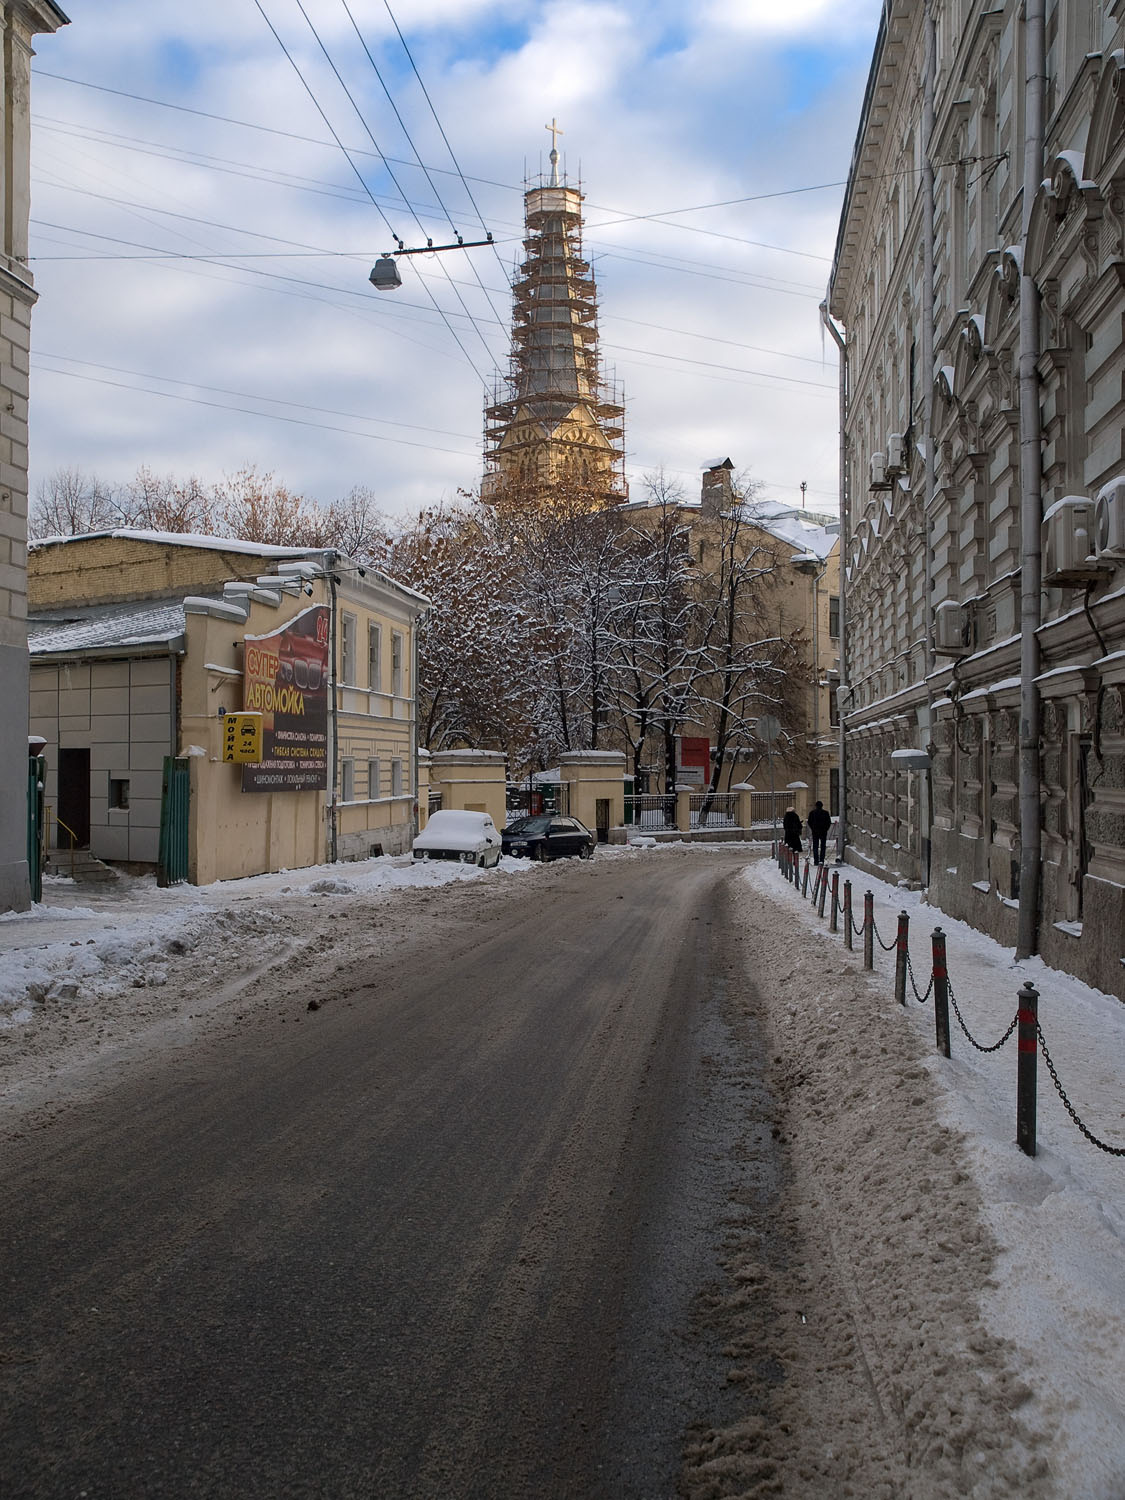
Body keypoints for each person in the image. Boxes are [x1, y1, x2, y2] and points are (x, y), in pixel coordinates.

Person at [807, 799, 832, 864]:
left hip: (815, 831)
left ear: (816, 806)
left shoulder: (812, 813)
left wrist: (813, 828)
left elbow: (809, 822)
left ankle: (816, 860)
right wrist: (826, 829)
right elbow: (828, 822)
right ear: (822, 806)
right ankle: (821, 860)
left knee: (815, 846)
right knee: (823, 846)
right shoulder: (825, 813)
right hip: (823, 832)